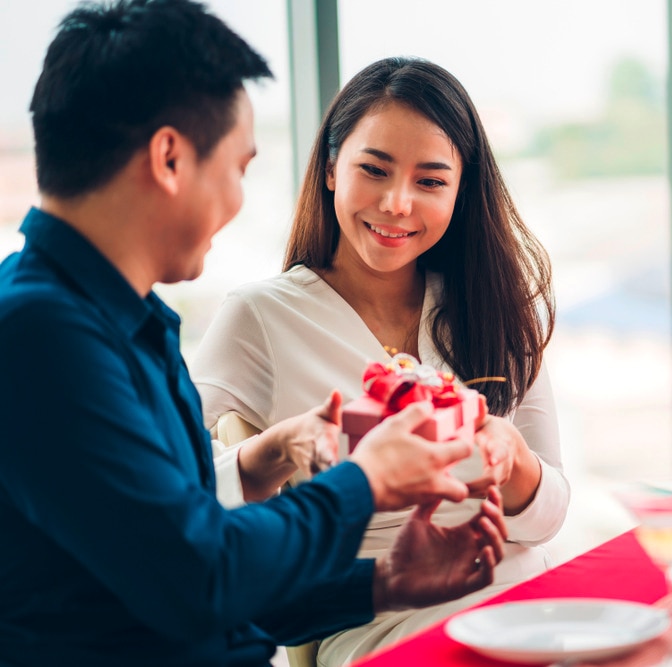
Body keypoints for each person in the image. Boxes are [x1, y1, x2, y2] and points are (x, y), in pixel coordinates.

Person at [0, 3, 508, 666]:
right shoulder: (39, 334)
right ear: (170, 158)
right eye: (239, 168)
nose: (239, 200)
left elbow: (202, 578)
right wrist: (364, 481)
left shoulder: (125, 321)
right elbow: (197, 578)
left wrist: (383, 583)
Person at [191, 56, 570, 664]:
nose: (397, 203)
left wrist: (515, 462)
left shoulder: (492, 306)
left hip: (527, 597)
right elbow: (185, 499)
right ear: (331, 169)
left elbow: (545, 522)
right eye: (375, 169)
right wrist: (272, 452)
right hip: (381, 619)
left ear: (460, 193)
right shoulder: (260, 317)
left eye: (430, 180)